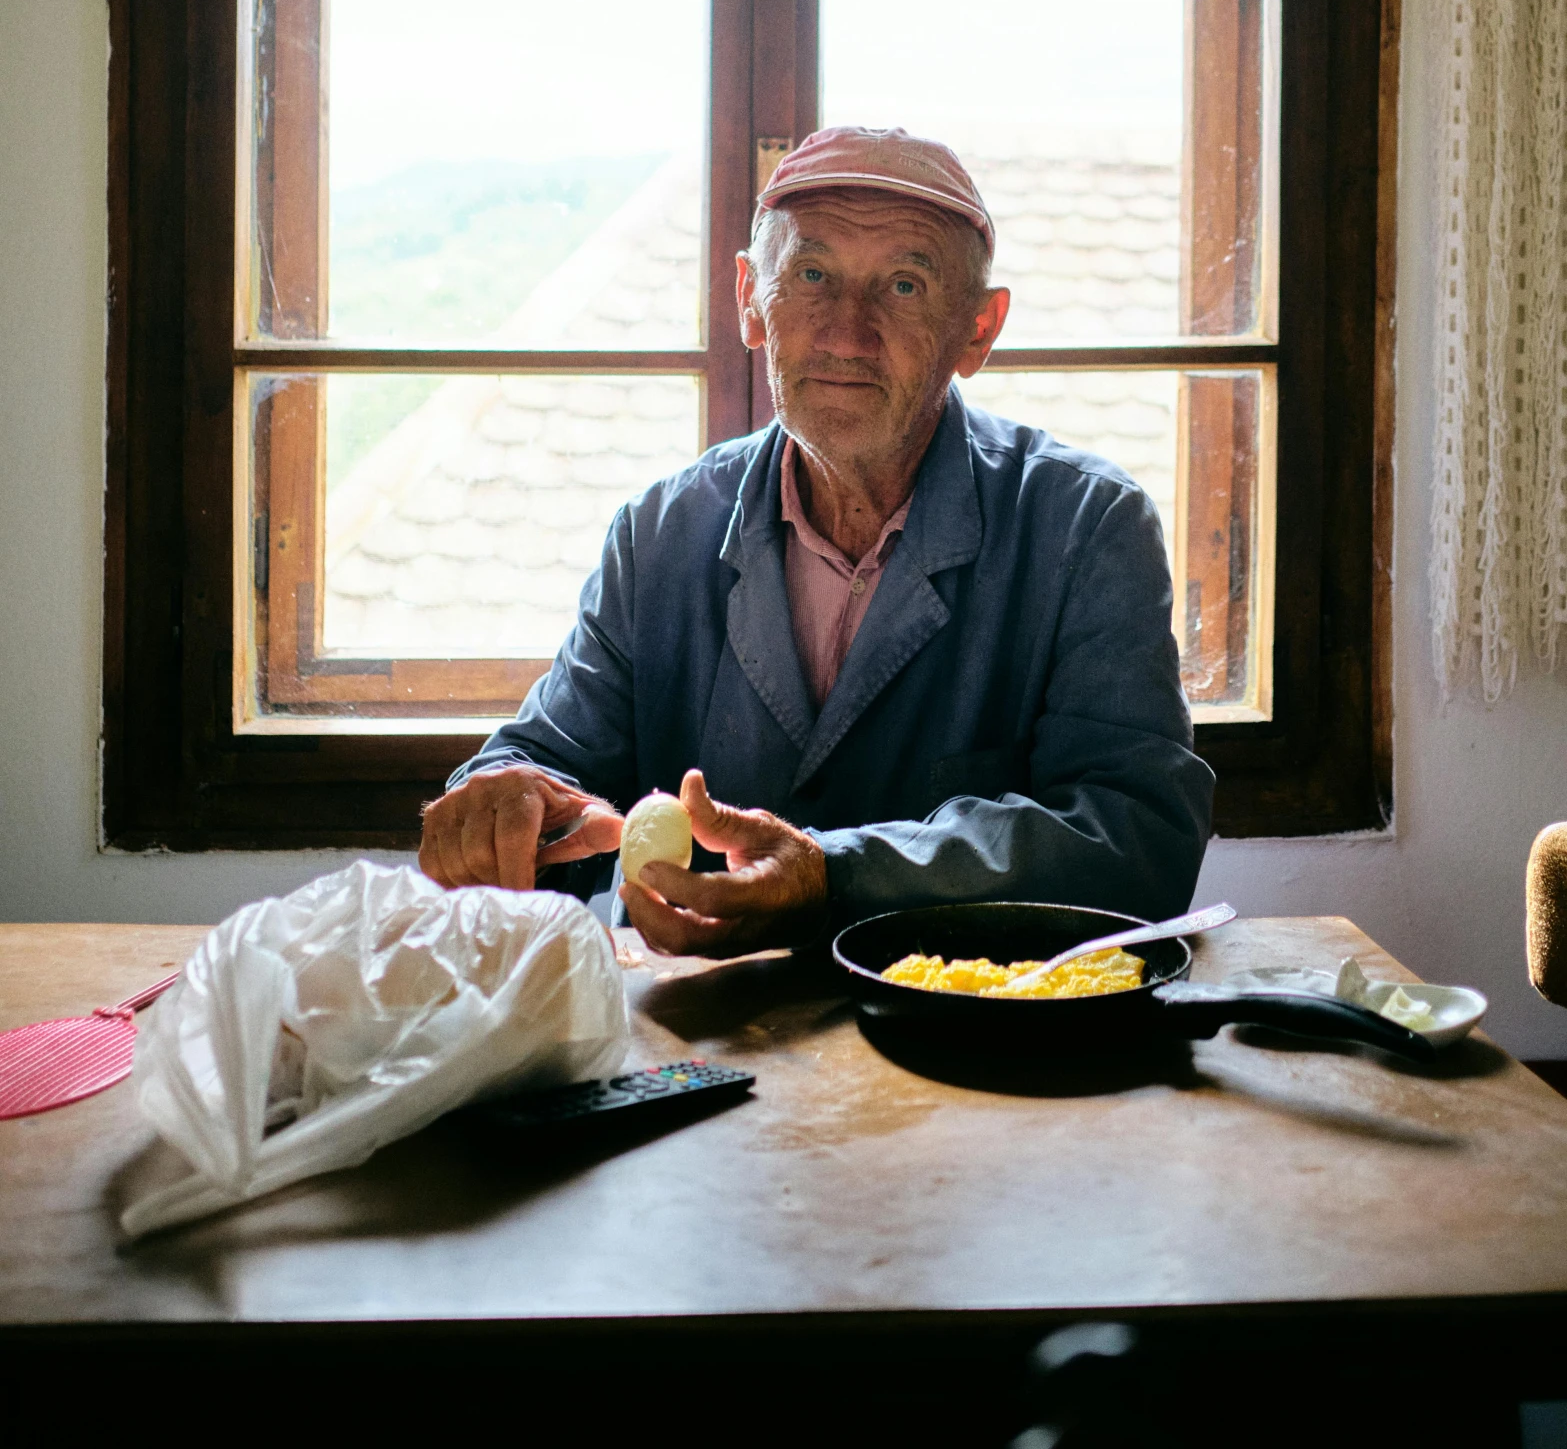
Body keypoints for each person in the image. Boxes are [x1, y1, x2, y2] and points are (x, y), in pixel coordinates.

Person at [417, 126, 1214, 954]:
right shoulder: (658, 533)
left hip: (966, 1049)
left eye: (904, 285)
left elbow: (1136, 838)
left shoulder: (1085, 528)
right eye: (810, 275)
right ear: (748, 300)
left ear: (977, 329)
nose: (845, 332)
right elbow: (554, 767)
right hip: (692, 1042)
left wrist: (834, 872)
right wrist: (499, 804)